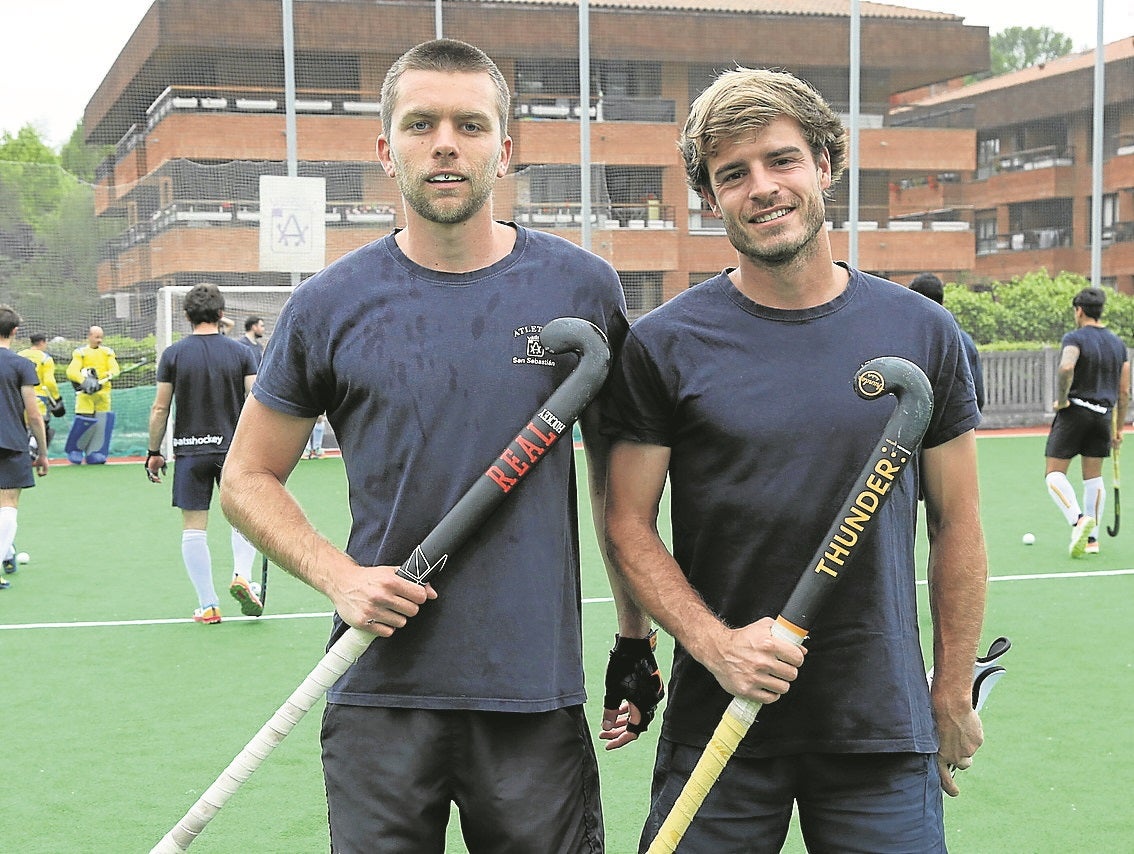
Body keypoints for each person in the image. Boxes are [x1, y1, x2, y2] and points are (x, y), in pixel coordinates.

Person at [220, 38, 658, 852]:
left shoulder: (581, 288)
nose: (446, 144)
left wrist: (634, 638)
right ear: (387, 151)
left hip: (531, 695)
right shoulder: (328, 305)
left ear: (505, 150)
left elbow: (616, 487)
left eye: (470, 125)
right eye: (421, 124)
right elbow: (246, 477)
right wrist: (339, 576)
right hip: (378, 689)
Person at [602, 67, 988, 852]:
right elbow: (627, 525)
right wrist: (718, 647)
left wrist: (952, 686)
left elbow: (958, 524)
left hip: (878, 724)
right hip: (720, 721)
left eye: (781, 160)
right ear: (709, 198)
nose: (762, 188)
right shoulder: (664, 345)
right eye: (732, 174)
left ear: (825, 165)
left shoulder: (923, 333)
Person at [145, 283, 262, 624]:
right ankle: (242, 575)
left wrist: (154, 451)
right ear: (222, 314)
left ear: (186, 316)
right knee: (243, 519)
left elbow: (160, 408)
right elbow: (257, 400)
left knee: (194, 527)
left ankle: (208, 604)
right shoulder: (242, 353)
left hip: (189, 452)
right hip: (233, 452)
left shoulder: (173, 354)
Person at [1044, 286, 1130, 558]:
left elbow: (1066, 367)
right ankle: (1092, 541)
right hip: (1103, 416)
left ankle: (1079, 520)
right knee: (1093, 478)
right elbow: (1124, 391)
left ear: (1079, 311)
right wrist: (1118, 429)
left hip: (1075, 412)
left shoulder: (1075, 337)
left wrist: (1061, 400)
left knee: (1054, 474)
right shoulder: (1118, 344)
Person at [0, 306, 50, 590]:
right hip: (10, 441)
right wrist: (42, 452)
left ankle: (7, 553)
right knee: (8, 503)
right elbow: (33, 414)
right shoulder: (21, 364)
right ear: (15, 331)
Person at [909, 273, 985, 413]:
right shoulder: (964, 340)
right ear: (942, 301)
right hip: (958, 420)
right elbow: (977, 394)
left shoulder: (909, 340)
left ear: (913, 302)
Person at [64, 325, 120, 464]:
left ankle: (96, 452)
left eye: (101, 337)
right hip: (85, 396)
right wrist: (85, 382)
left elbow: (115, 369)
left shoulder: (108, 352)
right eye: (96, 337)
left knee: (102, 424)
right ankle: (76, 450)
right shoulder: (80, 353)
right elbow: (72, 371)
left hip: (103, 395)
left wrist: (110, 374)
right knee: (84, 421)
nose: (99, 340)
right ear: (89, 337)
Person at [17, 332, 65, 454]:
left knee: (23, 427)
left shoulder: (19, 355)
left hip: (20, 398)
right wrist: (56, 398)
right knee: (40, 426)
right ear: (43, 342)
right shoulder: (45, 358)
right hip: (39, 399)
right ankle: (33, 450)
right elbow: (49, 382)